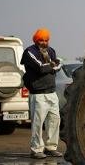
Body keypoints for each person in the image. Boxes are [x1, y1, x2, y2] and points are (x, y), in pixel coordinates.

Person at [21, 28, 63, 159]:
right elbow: (40, 68)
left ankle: (51, 147)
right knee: (38, 123)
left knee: (54, 121)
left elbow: (58, 66)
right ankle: (36, 149)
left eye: (46, 40)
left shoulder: (51, 51)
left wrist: (51, 65)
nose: (44, 42)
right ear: (36, 40)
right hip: (38, 94)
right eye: (41, 40)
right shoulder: (30, 52)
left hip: (51, 92)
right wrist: (52, 65)